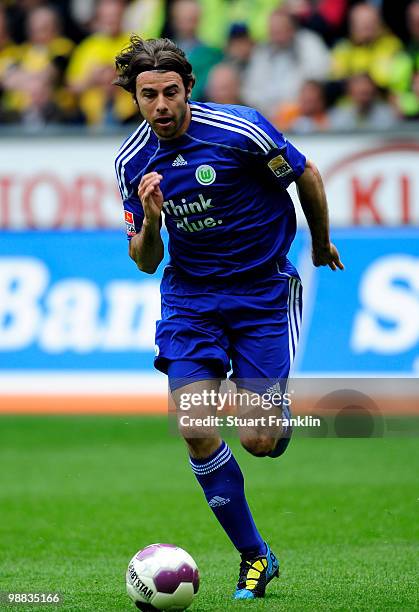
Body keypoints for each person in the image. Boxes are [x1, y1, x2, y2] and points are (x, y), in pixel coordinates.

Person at [114, 36, 343, 601]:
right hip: (191, 302)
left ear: (188, 89)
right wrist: (148, 218)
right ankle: (255, 557)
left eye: (170, 92)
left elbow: (306, 173)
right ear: (136, 98)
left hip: (262, 293)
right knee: (193, 425)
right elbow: (145, 263)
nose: (161, 105)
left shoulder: (241, 130)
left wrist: (319, 242)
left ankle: (272, 409)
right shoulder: (133, 163)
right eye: (149, 96)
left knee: (260, 440)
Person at [241, 7, 330, 117]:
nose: (276, 37)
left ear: (292, 28)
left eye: (281, 30)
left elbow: (319, 76)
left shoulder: (309, 43)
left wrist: (292, 106)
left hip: (304, 113)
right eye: (273, 32)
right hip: (268, 116)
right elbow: (251, 90)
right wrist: (270, 110)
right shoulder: (261, 52)